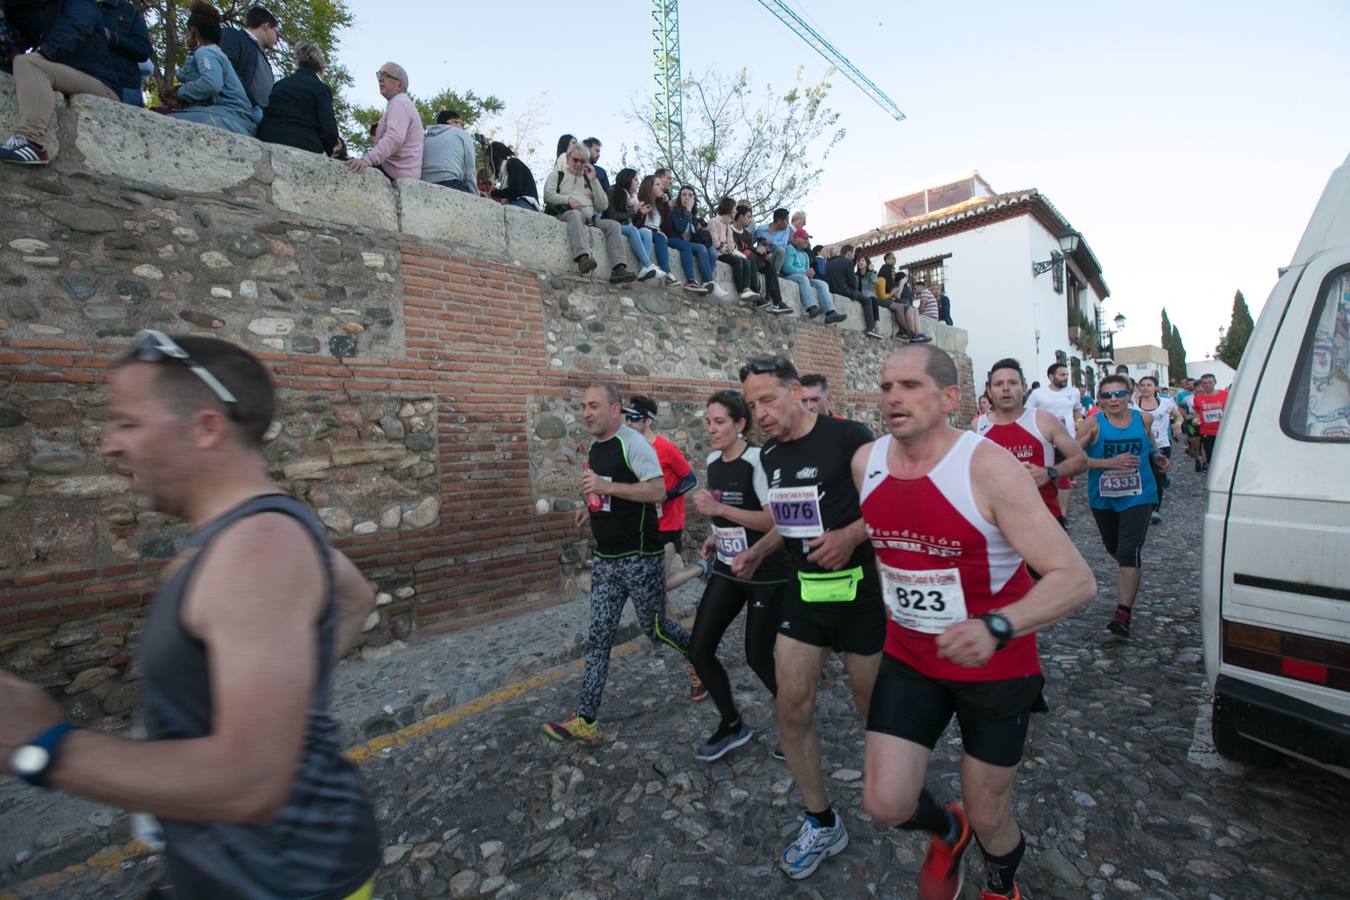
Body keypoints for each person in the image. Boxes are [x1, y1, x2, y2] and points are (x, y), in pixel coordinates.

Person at [0, 331, 381, 898]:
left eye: (128, 423)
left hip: (292, 878)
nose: (109, 444)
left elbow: (250, 783)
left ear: (205, 427)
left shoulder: (255, 549)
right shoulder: (256, 529)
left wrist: (38, 746)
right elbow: (354, 596)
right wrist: (279, 699)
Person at [856, 344, 1095, 900]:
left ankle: (1000, 880)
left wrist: (995, 627)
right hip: (911, 658)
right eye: (887, 386)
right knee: (885, 802)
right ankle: (947, 830)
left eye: (910, 386)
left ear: (949, 398)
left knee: (990, 812)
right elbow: (884, 538)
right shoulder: (865, 462)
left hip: (996, 666)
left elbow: (1075, 578)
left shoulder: (988, 468)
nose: (893, 397)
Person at [732, 356, 882, 880]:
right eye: (751, 405)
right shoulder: (770, 454)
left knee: (873, 712)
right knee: (792, 707)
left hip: (859, 593)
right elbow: (789, 516)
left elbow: (890, 501)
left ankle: (897, 788)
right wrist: (758, 550)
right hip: (803, 593)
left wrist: (850, 536)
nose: (760, 414)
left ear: (797, 392)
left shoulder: (849, 438)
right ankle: (821, 820)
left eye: (767, 400)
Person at [541, 384, 695, 744]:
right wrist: (588, 505)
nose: (586, 413)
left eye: (594, 406)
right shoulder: (596, 448)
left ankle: (701, 659)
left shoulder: (634, 444)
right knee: (598, 637)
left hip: (640, 557)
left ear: (615, 409)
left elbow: (657, 491)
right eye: (583, 407)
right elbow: (604, 491)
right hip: (607, 560)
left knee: (656, 629)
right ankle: (587, 721)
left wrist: (606, 489)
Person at [688, 390, 785, 760]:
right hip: (729, 569)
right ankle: (731, 724)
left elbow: (773, 521)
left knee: (758, 656)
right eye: (707, 422)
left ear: (740, 424)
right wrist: (715, 536)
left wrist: (718, 510)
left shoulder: (757, 461)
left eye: (719, 422)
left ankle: (795, 719)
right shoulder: (714, 459)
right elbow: (729, 511)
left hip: (765, 571)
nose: (710, 429)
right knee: (699, 649)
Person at [1078, 373, 1167, 639]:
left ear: (1130, 395)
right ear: (1099, 399)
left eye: (1119, 394)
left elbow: (1148, 442)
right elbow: (1073, 456)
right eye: (1107, 395)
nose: (1114, 399)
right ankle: (1131, 570)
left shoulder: (1144, 419)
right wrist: (1107, 463)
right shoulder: (1092, 425)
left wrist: (1157, 455)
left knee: (1128, 551)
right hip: (1103, 497)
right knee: (1114, 548)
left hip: (1140, 494)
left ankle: (1123, 613)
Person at [0, 0, 122, 165]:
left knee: (27, 63)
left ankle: (31, 141)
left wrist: (43, 53)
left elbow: (74, 27)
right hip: (65, 75)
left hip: (101, 84)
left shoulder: (79, 3)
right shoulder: (38, 11)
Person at [976, 358, 1087, 534]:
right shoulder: (978, 426)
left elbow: (1081, 460)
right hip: (997, 525)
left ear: (1024, 388)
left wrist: (1049, 473)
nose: (1006, 389)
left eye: (1012, 383)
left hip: (1043, 519)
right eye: (998, 384)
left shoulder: (1044, 420)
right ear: (989, 391)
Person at [625, 396, 705, 595]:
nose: (628, 423)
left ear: (648, 421)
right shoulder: (630, 448)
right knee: (649, 587)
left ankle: (700, 569)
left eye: (634, 418)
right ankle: (665, 625)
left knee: (652, 587)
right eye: (627, 418)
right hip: (643, 524)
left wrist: (665, 496)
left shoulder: (666, 448)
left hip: (668, 525)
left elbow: (690, 479)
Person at [542, 145, 636, 283]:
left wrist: (594, 180)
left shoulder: (589, 180)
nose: (578, 164)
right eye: (575, 160)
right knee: (575, 214)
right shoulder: (557, 175)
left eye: (582, 161)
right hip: (565, 213)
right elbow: (548, 195)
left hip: (591, 219)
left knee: (613, 225)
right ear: (568, 159)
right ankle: (582, 258)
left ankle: (619, 268)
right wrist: (568, 199)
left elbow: (603, 205)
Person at [168, 1, 256, 136]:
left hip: (229, 118)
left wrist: (180, 93)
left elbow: (211, 84)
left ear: (192, 31)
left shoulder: (206, 52)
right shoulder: (215, 53)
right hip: (235, 120)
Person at [255, 42, 341, 156]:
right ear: (321, 69)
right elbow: (329, 131)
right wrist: (331, 151)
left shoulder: (280, 84)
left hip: (267, 136)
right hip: (303, 143)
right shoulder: (321, 88)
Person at [1024, 363, 1084, 527]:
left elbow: (1077, 410)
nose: (1066, 378)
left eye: (1066, 374)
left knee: (1064, 478)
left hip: (1066, 440)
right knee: (1046, 476)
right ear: (1051, 376)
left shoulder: (1073, 393)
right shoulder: (1037, 394)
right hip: (1044, 441)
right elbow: (1027, 413)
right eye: (1062, 375)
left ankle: (1062, 515)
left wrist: (1079, 421)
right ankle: (1044, 511)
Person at [346, 62, 422, 181]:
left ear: (400, 85)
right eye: (379, 74)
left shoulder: (400, 103)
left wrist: (367, 160)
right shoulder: (400, 103)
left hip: (396, 175)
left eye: (386, 75)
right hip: (399, 174)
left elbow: (394, 138)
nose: (380, 79)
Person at [1134, 375, 1181, 523]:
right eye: (1142, 385)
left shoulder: (1166, 402)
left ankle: (1154, 510)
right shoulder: (1132, 405)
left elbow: (1178, 416)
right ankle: (1141, 506)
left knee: (1156, 478)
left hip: (1161, 445)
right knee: (1141, 477)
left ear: (1155, 388)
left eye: (1149, 385)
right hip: (1140, 446)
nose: (1145, 388)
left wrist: (1177, 424)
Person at [218, 4, 277, 116]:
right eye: (276, 33)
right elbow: (227, 68)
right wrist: (251, 102)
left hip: (261, 116)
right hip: (238, 110)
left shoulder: (263, 58)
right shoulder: (233, 36)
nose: (277, 39)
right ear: (266, 26)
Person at [604, 167, 663, 281]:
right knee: (633, 231)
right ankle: (648, 264)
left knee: (646, 232)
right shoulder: (613, 191)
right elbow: (613, 216)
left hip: (627, 226)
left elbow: (634, 222)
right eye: (635, 180)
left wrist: (640, 213)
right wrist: (633, 211)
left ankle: (643, 270)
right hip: (613, 225)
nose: (637, 183)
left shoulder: (633, 197)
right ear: (627, 180)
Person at [667, 184, 726, 297]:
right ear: (679, 197)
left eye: (690, 195)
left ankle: (707, 281)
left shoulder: (693, 216)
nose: (686, 198)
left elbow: (693, 235)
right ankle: (710, 281)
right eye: (684, 195)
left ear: (694, 199)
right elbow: (679, 228)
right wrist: (687, 212)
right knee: (701, 248)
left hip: (689, 242)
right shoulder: (674, 212)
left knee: (711, 250)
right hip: (676, 240)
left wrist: (700, 229)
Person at [783, 228, 846, 324]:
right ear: (796, 239)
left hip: (803, 278)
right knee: (803, 278)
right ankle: (811, 308)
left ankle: (830, 313)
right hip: (790, 276)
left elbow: (807, 271)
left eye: (807, 239)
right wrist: (804, 272)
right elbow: (787, 268)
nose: (807, 241)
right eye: (804, 238)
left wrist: (810, 273)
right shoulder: (789, 249)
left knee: (822, 284)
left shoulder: (805, 255)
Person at [99, 0, 152, 107]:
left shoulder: (129, 11)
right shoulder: (74, 5)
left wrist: (113, 37)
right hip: (86, 77)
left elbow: (143, 49)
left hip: (125, 85)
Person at [733, 204, 785, 312]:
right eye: (748, 216)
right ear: (741, 216)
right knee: (750, 255)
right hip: (740, 258)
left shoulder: (747, 234)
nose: (750, 220)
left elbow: (751, 246)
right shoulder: (730, 230)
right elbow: (736, 248)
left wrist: (761, 251)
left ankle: (778, 301)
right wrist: (754, 250)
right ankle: (756, 298)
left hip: (753, 259)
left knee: (769, 266)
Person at [634, 175, 683, 289]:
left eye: (661, 185)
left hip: (657, 233)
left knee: (662, 237)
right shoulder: (640, 201)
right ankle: (667, 274)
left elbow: (667, 228)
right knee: (660, 238)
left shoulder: (660, 205)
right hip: (644, 231)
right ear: (649, 187)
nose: (661, 188)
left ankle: (667, 274)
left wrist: (666, 205)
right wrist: (641, 213)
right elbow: (636, 223)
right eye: (658, 185)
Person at [826, 243, 883, 338]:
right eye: (852, 255)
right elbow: (853, 282)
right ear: (848, 254)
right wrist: (854, 290)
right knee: (867, 301)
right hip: (844, 290)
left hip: (831, 290)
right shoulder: (848, 263)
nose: (853, 258)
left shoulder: (828, 263)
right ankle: (870, 328)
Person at [710, 196, 760, 300]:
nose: (736, 211)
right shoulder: (714, 222)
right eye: (734, 208)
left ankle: (746, 289)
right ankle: (740, 291)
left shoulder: (728, 226)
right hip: (718, 253)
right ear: (729, 209)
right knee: (737, 261)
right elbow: (715, 243)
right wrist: (726, 247)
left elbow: (731, 244)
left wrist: (730, 247)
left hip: (725, 252)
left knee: (746, 261)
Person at [421, 108, 478, 194]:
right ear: (452, 122)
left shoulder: (426, 138)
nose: (463, 129)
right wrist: (475, 196)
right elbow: (470, 171)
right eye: (462, 124)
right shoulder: (462, 135)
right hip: (451, 183)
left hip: (423, 184)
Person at [1190, 373, 1228, 472]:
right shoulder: (1198, 398)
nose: (1207, 385)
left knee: (1224, 455)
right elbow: (1197, 412)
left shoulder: (1225, 394)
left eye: (1210, 382)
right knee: (1211, 456)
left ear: (1215, 382)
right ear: (1201, 385)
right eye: (1205, 383)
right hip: (1207, 431)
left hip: (1223, 430)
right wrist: (1195, 420)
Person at [487, 140, 539, 211]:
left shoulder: (513, 163)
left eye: (490, 161)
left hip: (526, 203)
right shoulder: (507, 170)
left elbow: (515, 190)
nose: (490, 165)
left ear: (496, 159)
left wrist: (493, 193)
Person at [754, 208, 794, 276]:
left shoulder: (786, 230)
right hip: (760, 258)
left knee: (781, 250)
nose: (788, 223)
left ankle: (775, 274)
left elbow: (784, 245)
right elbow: (752, 241)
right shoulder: (761, 229)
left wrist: (771, 243)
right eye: (786, 220)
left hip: (772, 259)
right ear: (779, 221)